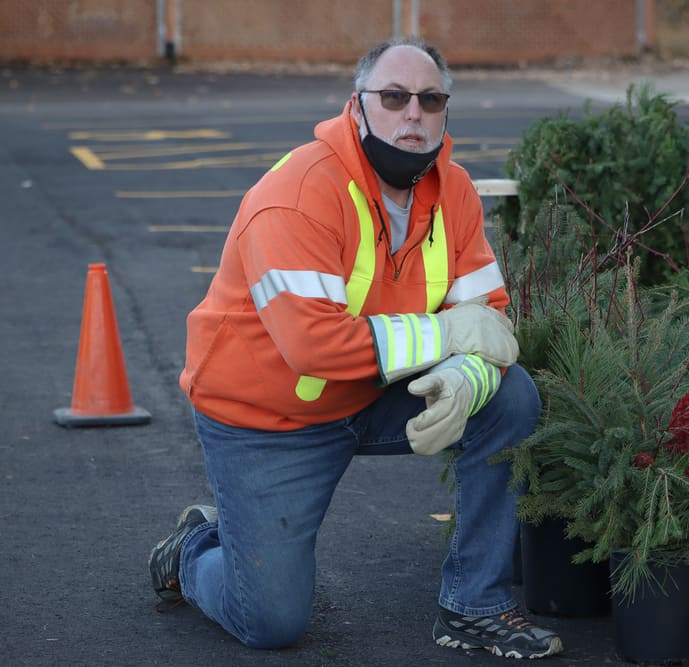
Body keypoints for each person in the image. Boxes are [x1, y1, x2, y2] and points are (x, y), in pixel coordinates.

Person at [148, 36, 563, 660]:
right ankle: (196, 548)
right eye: (394, 97)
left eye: (430, 98)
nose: (413, 113)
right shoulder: (297, 195)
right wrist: (448, 337)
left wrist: (464, 381)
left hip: (370, 392)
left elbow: (492, 321)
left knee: (511, 396)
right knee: (270, 624)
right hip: (269, 419)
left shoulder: (454, 193)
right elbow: (312, 346)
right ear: (358, 105)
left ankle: (473, 606)